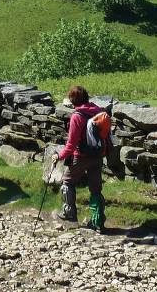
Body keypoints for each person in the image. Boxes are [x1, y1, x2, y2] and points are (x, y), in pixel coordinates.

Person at [51, 85, 107, 231]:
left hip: (80, 157)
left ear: (73, 100)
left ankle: (69, 213)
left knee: (67, 181)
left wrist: (59, 156)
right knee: (96, 190)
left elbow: (71, 144)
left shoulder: (77, 116)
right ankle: (98, 222)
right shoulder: (98, 112)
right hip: (97, 156)